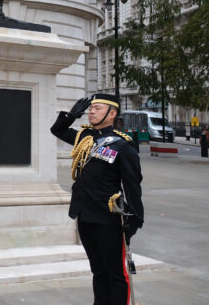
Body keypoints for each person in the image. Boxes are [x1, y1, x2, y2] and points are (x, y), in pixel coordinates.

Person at [50, 93, 144, 305]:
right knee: (98, 271)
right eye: (91, 108)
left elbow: (133, 187)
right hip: (85, 215)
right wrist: (72, 115)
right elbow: (57, 130)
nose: (92, 111)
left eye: (98, 108)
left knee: (116, 275)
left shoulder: (122, 146)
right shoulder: (86, 138)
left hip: (108, 219)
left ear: (112, 114)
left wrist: (135, 219)